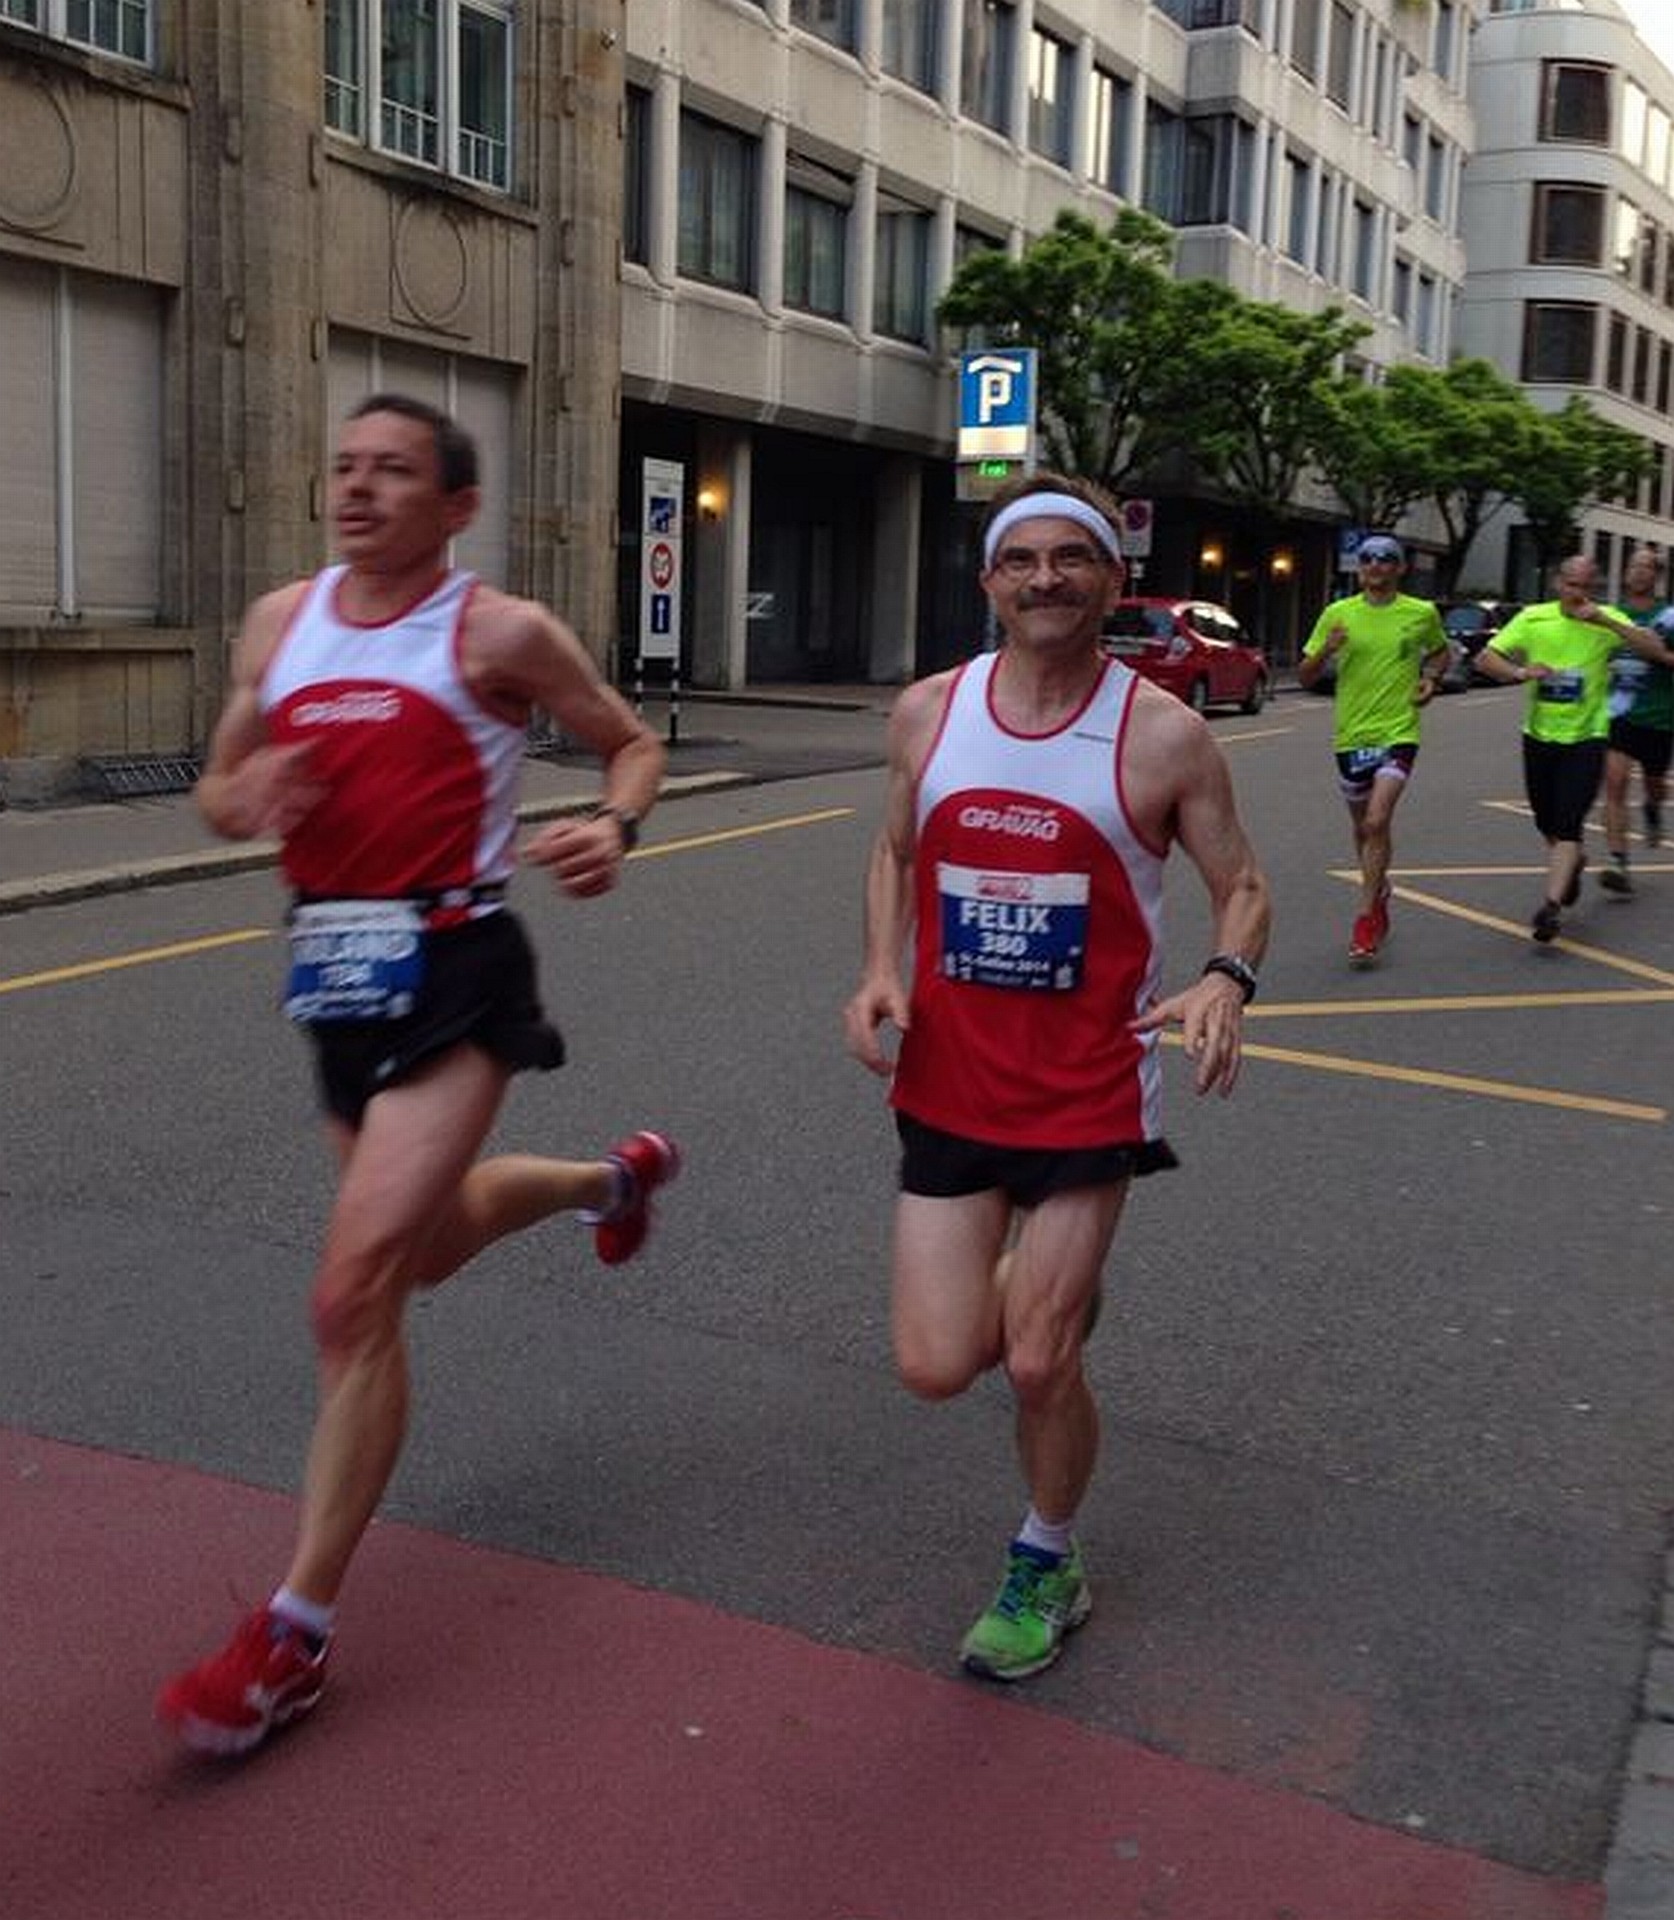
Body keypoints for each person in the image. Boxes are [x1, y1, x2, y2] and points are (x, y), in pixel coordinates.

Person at [157, 394, 679, 1755]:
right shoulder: (282, 621)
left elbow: (630, 740)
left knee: (352, 1292)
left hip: (456, 969)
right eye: (344, 467)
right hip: (334, 971)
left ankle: (293, 1635)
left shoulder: (497, 633)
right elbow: (216, 787)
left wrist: (612, 825)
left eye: (394, 472)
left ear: (454, 508)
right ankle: (606, 1181)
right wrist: (247, 795)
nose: (359, 488)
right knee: (426, 1250)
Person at [842, 473, 1271, 1683]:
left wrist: (1226, 977)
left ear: (1111, 581)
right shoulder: (929, 712)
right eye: (1019, 559)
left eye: (1070, 559)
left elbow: (1244, 881)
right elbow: (893, 847)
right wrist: (882, 967)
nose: (1044, 578)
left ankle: (1048, 1557)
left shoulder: (1163, 734)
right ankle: (1054, 1298)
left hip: (1089, 1088)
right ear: (988, 581)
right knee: (937, 1364)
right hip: (949, 1084)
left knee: (1034, 1359)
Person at [1475, 554, 1674, 942]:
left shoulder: (1605, 621)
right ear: (1557, 583)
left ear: (1595, 588)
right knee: (1547, 821)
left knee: (1570, 822)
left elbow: (1652, 646)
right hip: (1538, 736)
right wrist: (1519, 672)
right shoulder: (1534, 618)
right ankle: (1573, 864)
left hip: (1589, 738)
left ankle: (1550, 908)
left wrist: (1603, 620)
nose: (1578, 594)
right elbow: (1486, 658)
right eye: (1572, 585)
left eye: (1587, 587)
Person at [1295, 534, 1449, 965]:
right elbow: (1306, 677)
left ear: (1401, 568)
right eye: (1367, 558)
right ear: (1357, 567)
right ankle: (1377, 887)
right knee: (1364, 829)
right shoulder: (1337, 614)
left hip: (1399, 732)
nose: (1376, 565)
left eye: (1386, 559)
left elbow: (1440, 653)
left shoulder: (1420, 613)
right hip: (1351, 736)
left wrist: (1430, 681)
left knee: (1379, 819)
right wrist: (1327, 649)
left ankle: (1365, 921)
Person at [1597, 546, 1673, 897]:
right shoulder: (1611, 614)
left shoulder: (1669, 616)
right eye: (1633, 566)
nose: (1638, 573)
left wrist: (1657, 652)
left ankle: (1654, 807)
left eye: (1646, 568)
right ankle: (1618, 862)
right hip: (1619, 714)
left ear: (1656, 576)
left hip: (1659, 717)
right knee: (1615, 783)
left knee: (1655, 785)